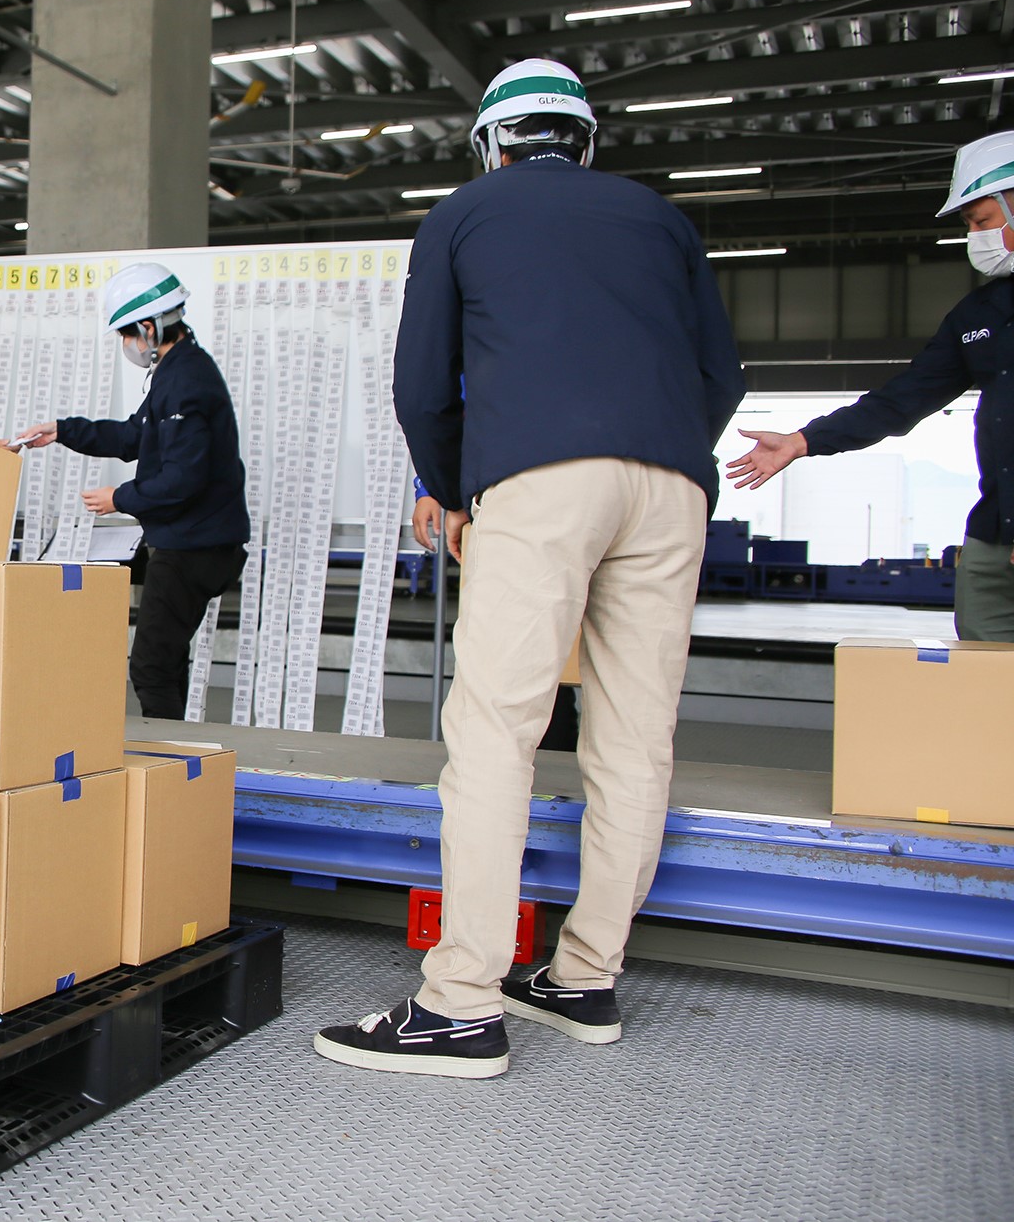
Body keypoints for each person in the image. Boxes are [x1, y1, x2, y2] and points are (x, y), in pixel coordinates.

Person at [317, 58, 744, 1078]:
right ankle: (584, 975)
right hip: (672, 482)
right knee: (636, 738)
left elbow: (420, 384)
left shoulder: (462, 214)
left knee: (496, 730)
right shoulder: (660, 220)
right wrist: (657, 450)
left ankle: (461, 1000)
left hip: (536, 476)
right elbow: (722, 374)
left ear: (492, 142)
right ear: (580, 138)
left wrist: (451, 486)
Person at [727, 131, 1014, 642]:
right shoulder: (981, 313)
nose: (976, 236)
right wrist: (803, 440)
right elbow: (902, 399)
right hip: (994, 533)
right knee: (985, 696)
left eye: (982, 221)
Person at [12, 262, 248, 719]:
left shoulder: (186, 381)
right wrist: (63, 430)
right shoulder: (177, 371)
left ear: (149, 325)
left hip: (193, 546)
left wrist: (119, 499)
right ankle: (178, 755)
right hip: (191, 539)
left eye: (126, 333)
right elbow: (132, 436)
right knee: (166, 656)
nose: (126, 344)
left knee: (150, 665)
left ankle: (170, 766)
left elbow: (184, 478)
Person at [413, 477, 579, 752]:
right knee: (527, 646)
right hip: (516, 496)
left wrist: (438, 490)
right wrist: (432, 488)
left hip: (532, 497)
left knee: (538, 646)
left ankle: (544, 764)